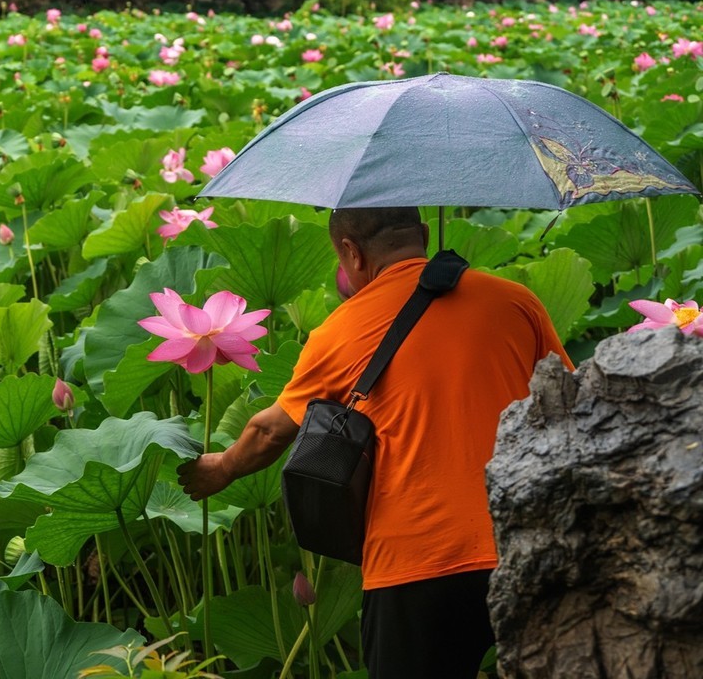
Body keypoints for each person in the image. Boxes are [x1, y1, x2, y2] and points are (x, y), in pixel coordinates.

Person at [178, 207, 573, 679]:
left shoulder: (342, 329)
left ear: (351, 252)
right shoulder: (515, 301)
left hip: (413, 565)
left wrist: (220, 469)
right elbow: (571, 403)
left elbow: (268, 431)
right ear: (423, 235)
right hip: (527, 544)